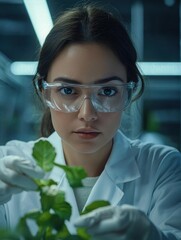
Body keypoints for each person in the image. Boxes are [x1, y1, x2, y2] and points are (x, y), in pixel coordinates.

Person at [0, 3, 181, 240]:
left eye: (107, 91)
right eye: (67, 90)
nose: (87, 113)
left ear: (128, 92)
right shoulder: (7, 166)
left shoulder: (162, 168)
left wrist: (153, 237)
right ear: (45, 93)